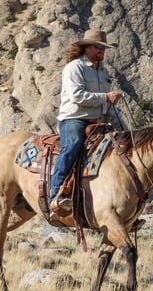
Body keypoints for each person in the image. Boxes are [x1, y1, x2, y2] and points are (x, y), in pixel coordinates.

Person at [49, 29, 123, 215]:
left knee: (123, 147)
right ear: (87, 47)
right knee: (72, 145)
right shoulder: (75, 68)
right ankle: (55, 194)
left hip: (99, 120)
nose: (102, 51)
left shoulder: (103, 71)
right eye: (99, 47)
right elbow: (77, 96)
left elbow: (105, 102)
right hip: (75, 118)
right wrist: (106, 97)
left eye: (104, 48)